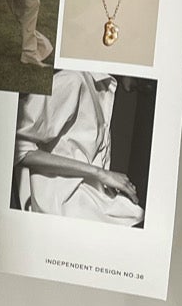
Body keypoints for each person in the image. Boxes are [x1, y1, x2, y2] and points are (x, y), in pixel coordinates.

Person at [13, 70, 144, 225]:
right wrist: (100, 173)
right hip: (63, 213)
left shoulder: (104, 92)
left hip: (90, 205)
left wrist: (106, 181)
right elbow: (16, 146)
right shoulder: (72, 80)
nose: (149, 87)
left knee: (138, 215)